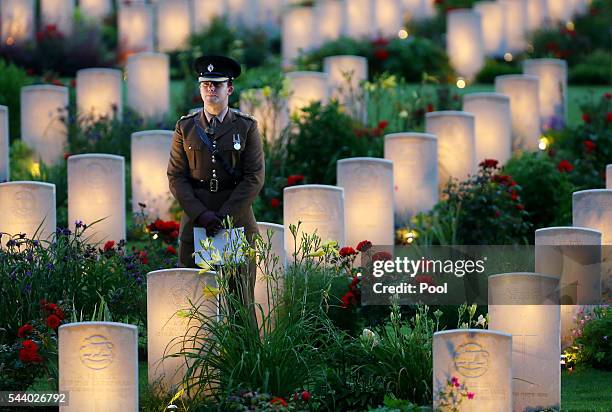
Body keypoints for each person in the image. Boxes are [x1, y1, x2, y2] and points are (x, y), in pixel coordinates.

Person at [167, 55, 264, 307]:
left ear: (229, 88)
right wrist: (201, 215)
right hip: (196, 221)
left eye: (217, 84)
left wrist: (224, 217)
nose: (211, 89)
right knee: (194, 302)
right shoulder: (185, 127)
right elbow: (176, 176)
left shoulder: (246, 127)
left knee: (239, 303)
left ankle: (243, 348)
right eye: (205, 84)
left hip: (236, 222)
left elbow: (254, 178)